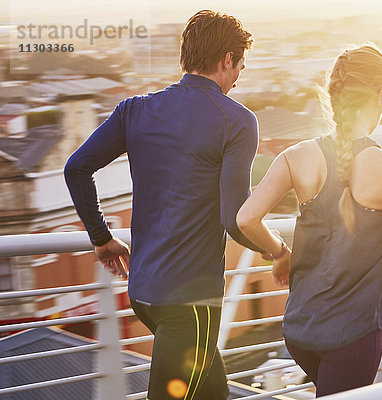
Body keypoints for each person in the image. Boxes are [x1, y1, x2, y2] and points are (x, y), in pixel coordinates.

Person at [64, 10, 265, 400]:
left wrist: (102, 238)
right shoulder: (237, 121)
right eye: (240, 65)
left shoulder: (135, 109)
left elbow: (77, 168)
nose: (239, 77)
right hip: (191, 304)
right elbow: (236, 219)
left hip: (143, 294)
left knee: (212, 393)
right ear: (227, 59)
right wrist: (279, 250)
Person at [236, 44, 382, 397]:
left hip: (300, 331)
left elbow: (247, 218)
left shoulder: (294, 156)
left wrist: (279, 252)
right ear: (381, 94)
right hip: (352, 338)